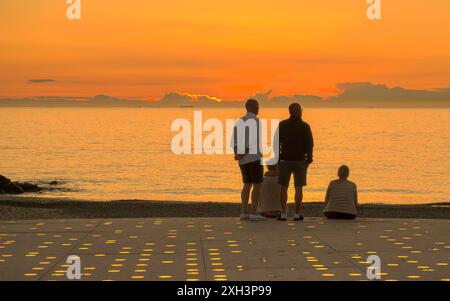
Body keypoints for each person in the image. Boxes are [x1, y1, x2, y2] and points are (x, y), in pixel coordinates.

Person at [276, 103, 314, 221]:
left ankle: (283, 214)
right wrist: (309, 159)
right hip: (300, 160)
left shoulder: (282, 125)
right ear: (300, 112)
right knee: (299, 188)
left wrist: (277, 159)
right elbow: (310, 144)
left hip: (285, 159)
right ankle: (297, 214)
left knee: (283, 187)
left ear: (290, 111)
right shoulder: (305, 126)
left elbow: (276, 143)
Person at [232, 99, 266, 221]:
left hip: (243, 161)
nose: (259, 108)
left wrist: (238, 154)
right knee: (257, 186)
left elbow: (234, 141)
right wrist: (242, 153)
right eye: (258, 106)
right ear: (253, 107)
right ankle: (253, 212)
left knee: (247, 184)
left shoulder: (239, 121)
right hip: (254, 157)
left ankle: (243, 211)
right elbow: (252, 141)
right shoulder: (256, 121)